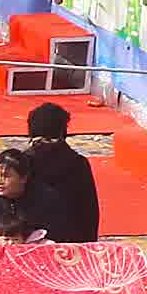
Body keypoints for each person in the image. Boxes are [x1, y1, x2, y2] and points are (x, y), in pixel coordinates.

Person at [12, 102, 105, 244]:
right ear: (63, 130)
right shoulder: (78, 163)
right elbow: (89, 213)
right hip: (69, 243)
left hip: (25, 242)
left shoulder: (20, 163)